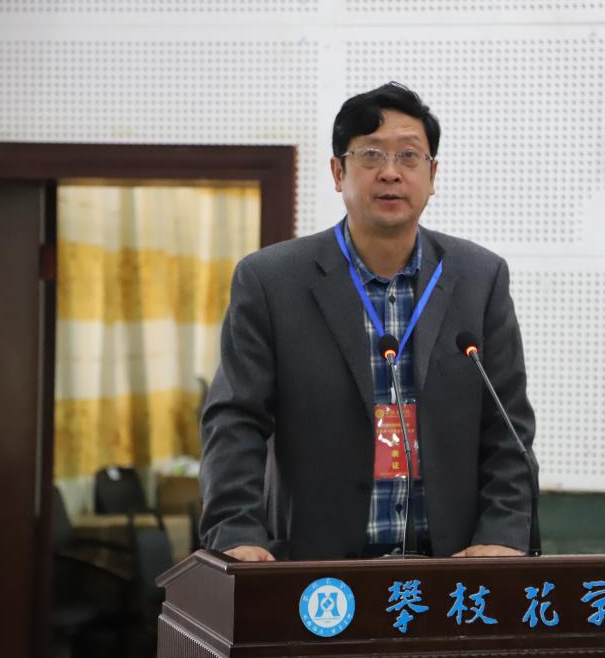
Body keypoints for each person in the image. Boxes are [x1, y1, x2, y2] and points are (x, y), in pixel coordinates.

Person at [199, 82, 537, 561]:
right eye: (371, 155)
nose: (391, 172)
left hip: (450, 566)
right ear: (338, 172)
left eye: (409, 156)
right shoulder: (271, 281)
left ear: (433, 174)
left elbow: (508, 428)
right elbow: (235, 420)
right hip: (314, 569)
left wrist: (504, 533)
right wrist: (235, 533)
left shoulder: (479, 278)